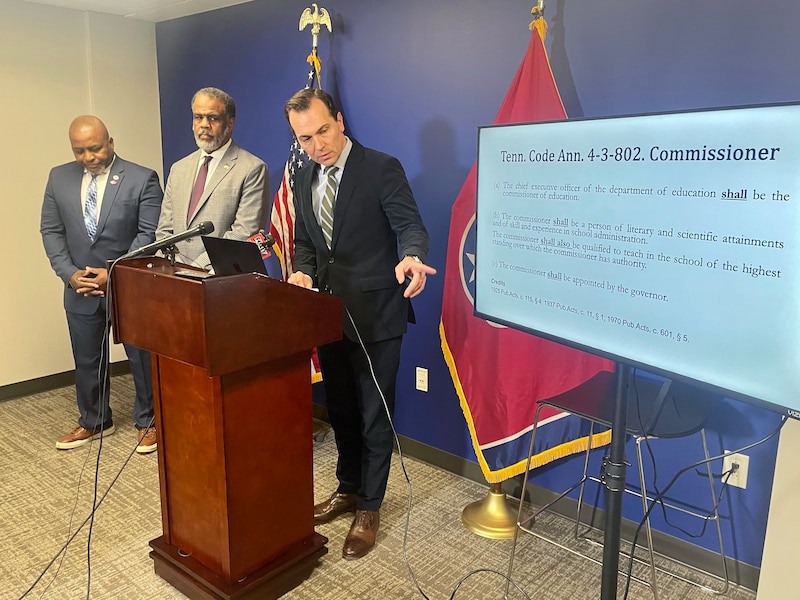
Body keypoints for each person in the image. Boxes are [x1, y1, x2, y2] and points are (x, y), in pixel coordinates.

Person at [285, 88, 436, 560]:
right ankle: (347, 489)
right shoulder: (302, 176)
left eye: (322, 131)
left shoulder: (381, 167)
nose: (316, 145)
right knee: (342, 412)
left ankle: (369, 508)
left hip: (376, 314)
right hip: (327, 315)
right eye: (305, 138)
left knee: (374, 416)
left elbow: (410, 225)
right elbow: (308, 244)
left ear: (340, 120)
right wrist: (301, 271)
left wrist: (412, 257)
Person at [40, 115, 163, 453]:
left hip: (128, 285)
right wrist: (69, 273)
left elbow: (149, 234)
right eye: (79, 151)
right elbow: (51, 230)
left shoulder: (142, 178)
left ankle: (149, 421)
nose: (88, 157)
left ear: (111, 142)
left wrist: (114, 271)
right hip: (79, 286)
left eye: (94, 148)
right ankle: (95, 420)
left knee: (140, 358)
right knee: (87, 358)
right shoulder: (58, 177)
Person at [156, 87, 269, 269]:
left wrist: (194, 269)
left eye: (213, 118)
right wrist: (174, 268)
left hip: (221, 280)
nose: (204, 125)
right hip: (176, 278)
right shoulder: (178, 169)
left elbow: (243, 234)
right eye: (198, 117)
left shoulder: (252, 168)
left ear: (230, 123)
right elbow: (164, 231)